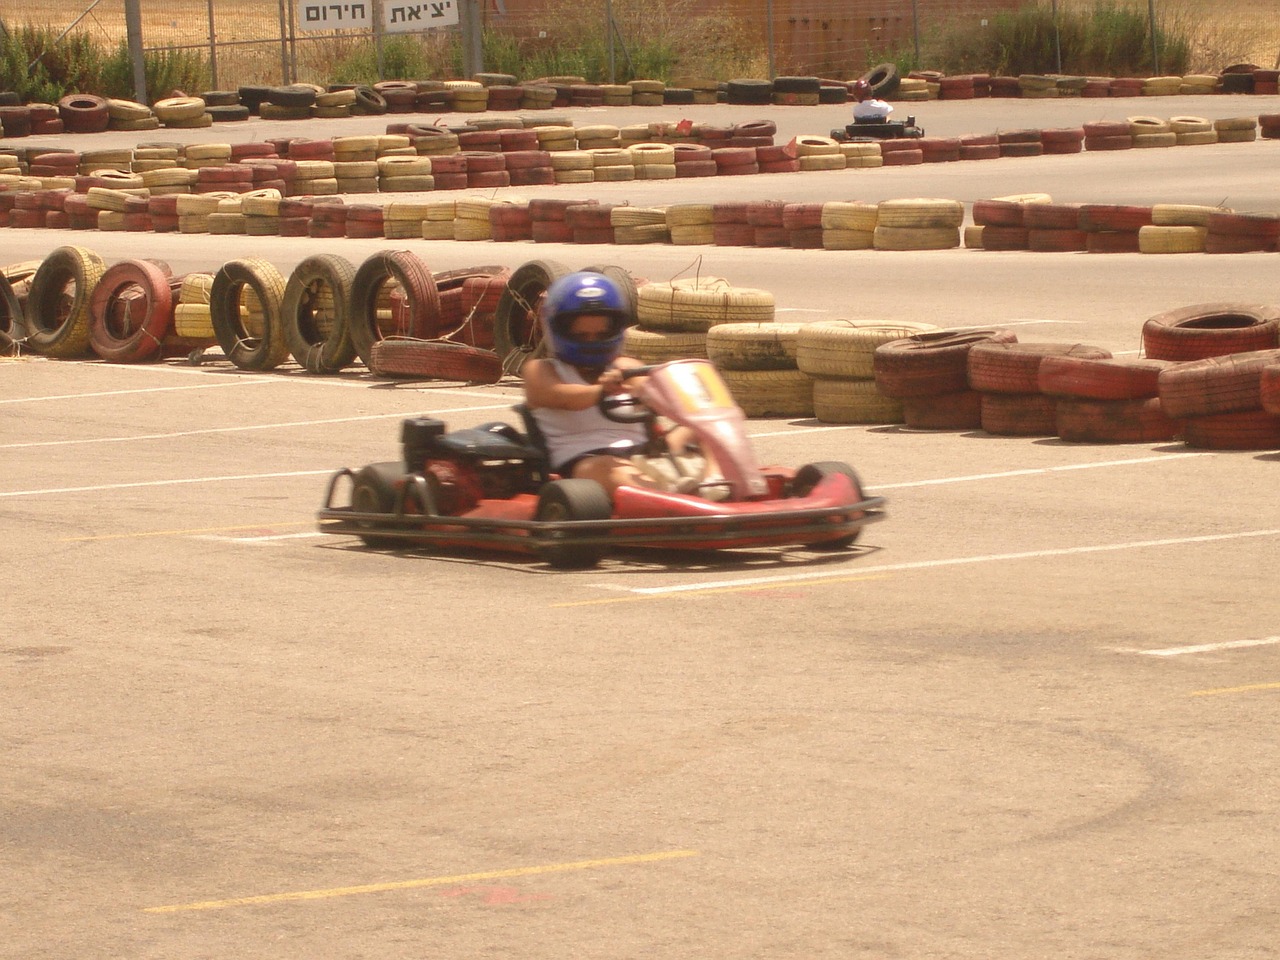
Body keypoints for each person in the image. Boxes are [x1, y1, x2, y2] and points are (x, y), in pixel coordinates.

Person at [523, 271, 705, 496]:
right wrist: (602, 390)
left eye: (601, 334)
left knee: (704, 427)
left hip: (645, 454)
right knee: (606, 468)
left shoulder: (627, 366)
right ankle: (671, 497)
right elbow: (564, 397)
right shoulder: (541, 370)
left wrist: (654, 391)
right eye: (582, 335)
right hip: (586, 459)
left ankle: (717, 481)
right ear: (559, 329)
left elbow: (657, 395)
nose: (593, 341)